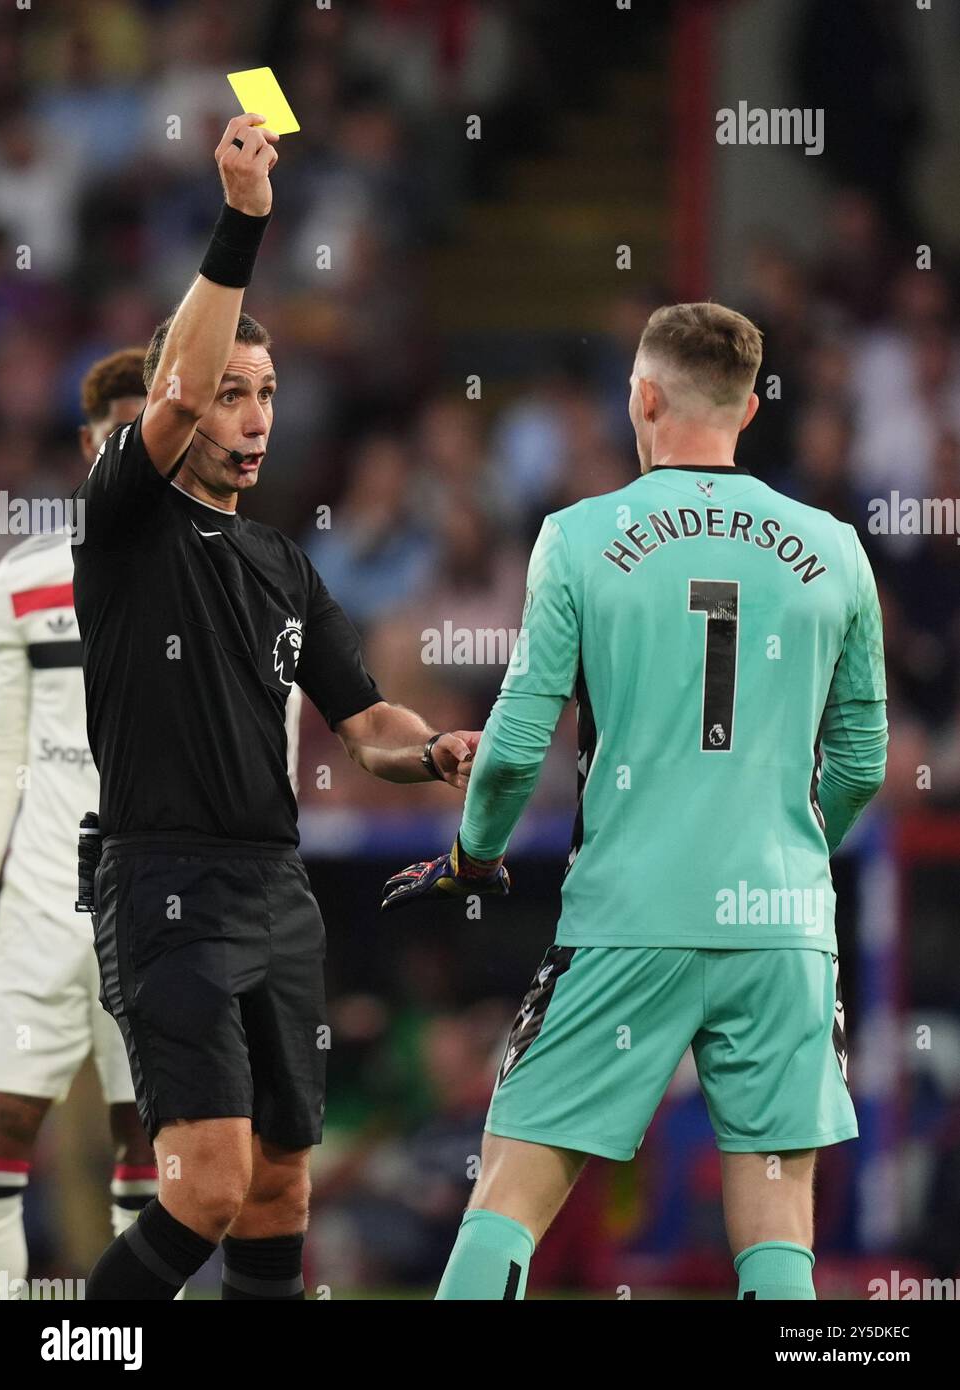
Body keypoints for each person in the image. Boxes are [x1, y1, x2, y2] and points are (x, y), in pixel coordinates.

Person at [382, 301, 888, 1300]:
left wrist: (473, 855)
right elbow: (864, 760)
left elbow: (519, 745)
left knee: (510, 1197)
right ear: (747, 407)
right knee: (779, 1225)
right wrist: (787, 846)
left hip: (628, 915)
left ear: (643, 399)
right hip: (782, 921)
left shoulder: (579, 538)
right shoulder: (834, 548)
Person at [76, 113, 477, 1301]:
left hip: (276, 890)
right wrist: (245, 219)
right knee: (200, 1185)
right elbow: (183, 376)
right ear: (178, 404)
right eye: (231, 393)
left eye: (268, 394)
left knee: (280, 1188)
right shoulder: (123, 524)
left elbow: (366, 726)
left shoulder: (283, 564)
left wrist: (438, 748)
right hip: (166, 883)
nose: (251, 415)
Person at [0, 351, 156, 1297]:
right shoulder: (23, 582)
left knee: (149, 1141)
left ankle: (126, 1335)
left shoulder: (219, 574)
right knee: (6, 1123)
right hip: (45, 904)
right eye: (116, 435)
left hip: (155, 902)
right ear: (90, 442)